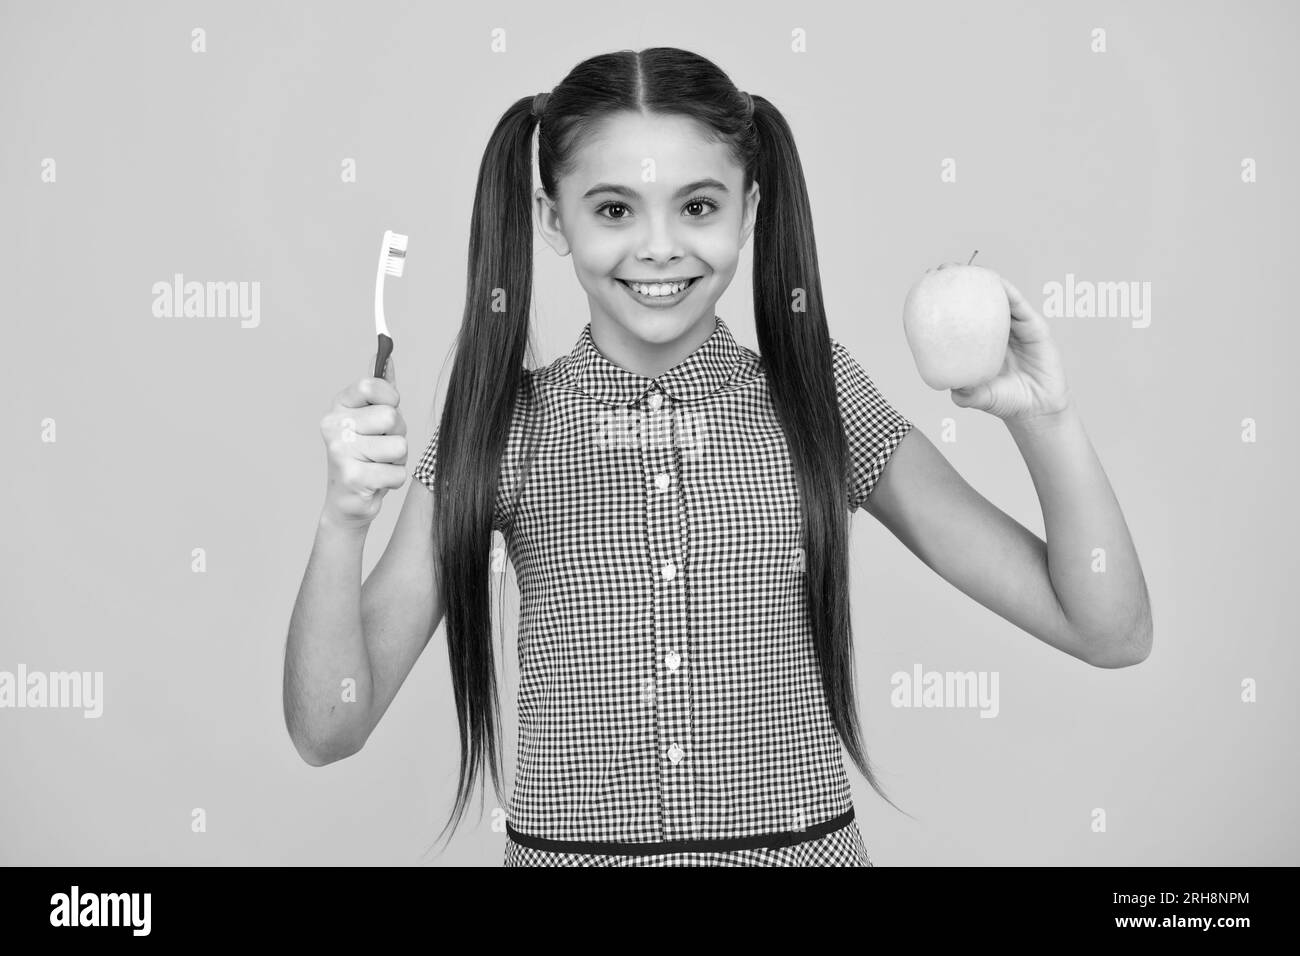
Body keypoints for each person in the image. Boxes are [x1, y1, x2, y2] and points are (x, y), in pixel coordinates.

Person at [285, 47, 1152, 867]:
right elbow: (328, 729)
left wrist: (1047, 419)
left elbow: (1106, 630)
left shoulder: (816, 397)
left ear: (752, 210)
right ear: (554, 220)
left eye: (698, 206)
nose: (660, 246)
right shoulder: (498, 426)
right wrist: (341, 521)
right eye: (614, 209)